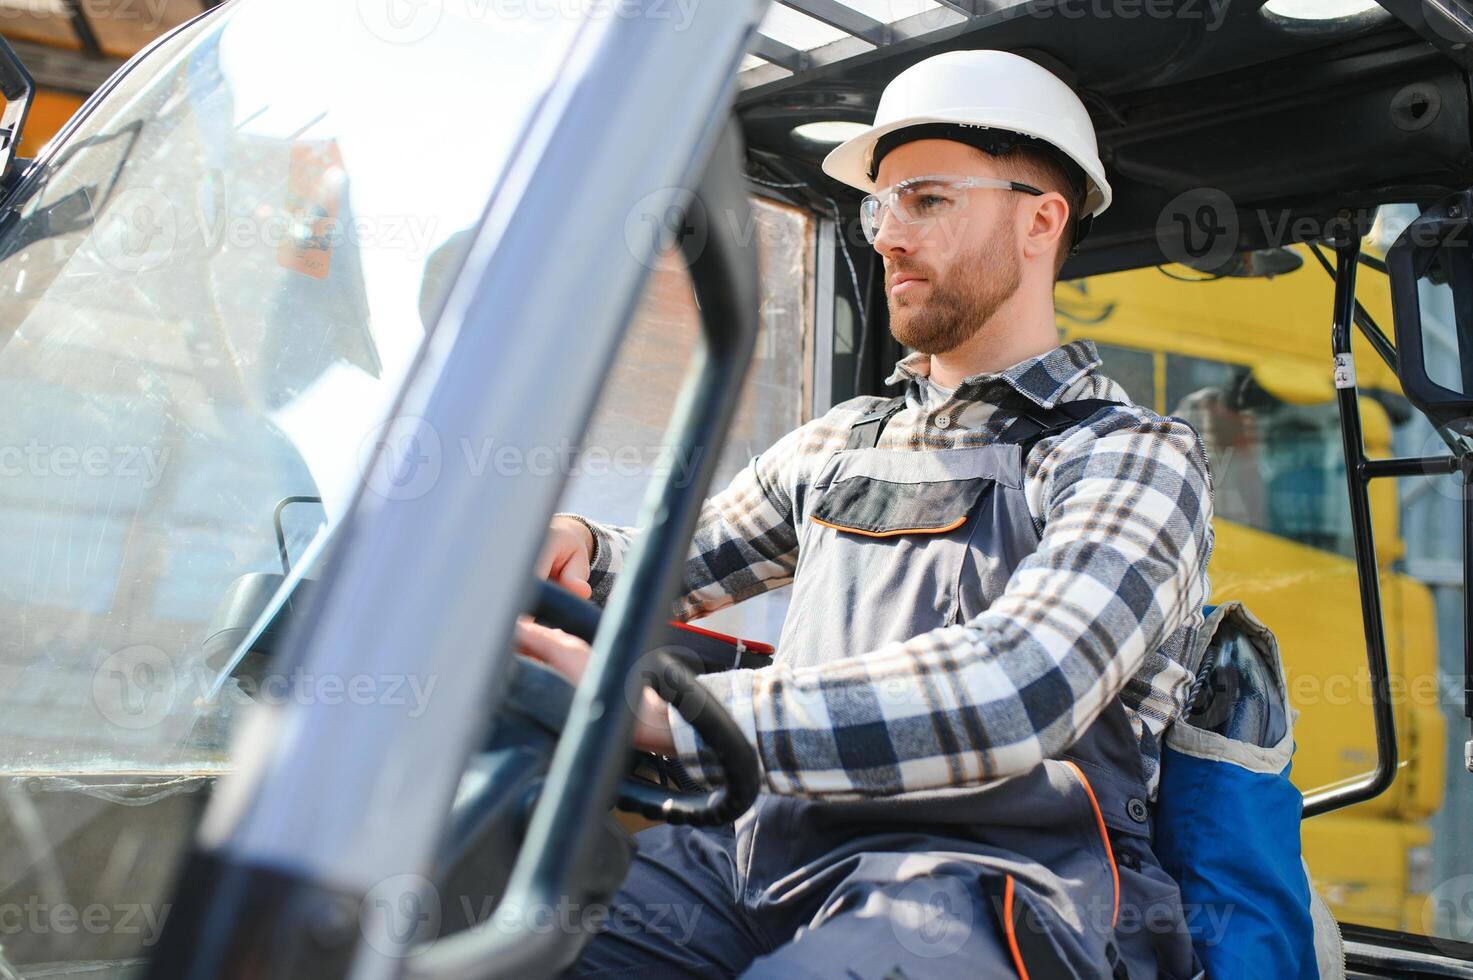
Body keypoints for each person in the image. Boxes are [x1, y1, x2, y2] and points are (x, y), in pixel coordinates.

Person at [521, 49, 1214, 978]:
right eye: (878, 205)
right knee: (512, 934)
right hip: (760, 861)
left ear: (1040, 220)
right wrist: (575, 549)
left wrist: (678, 719)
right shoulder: (841, 443)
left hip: (995, 884)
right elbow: (671, 563)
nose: (885, 236)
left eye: (926, 200)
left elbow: (1017, 690)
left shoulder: (1128, 456)